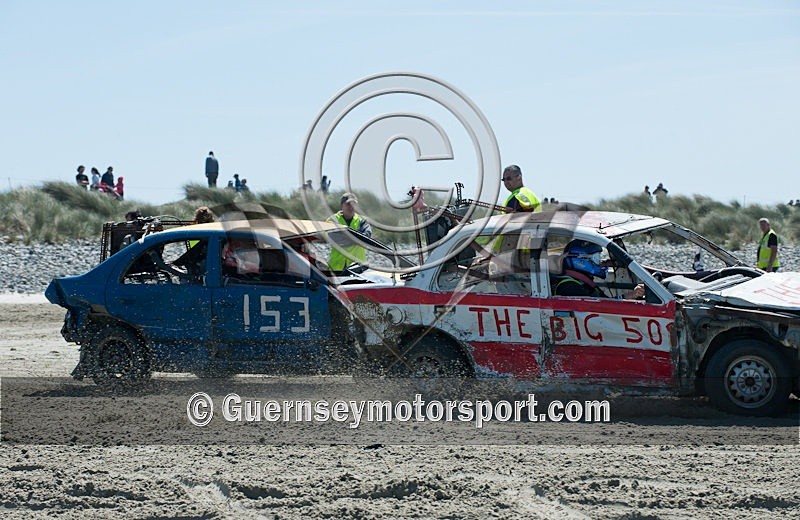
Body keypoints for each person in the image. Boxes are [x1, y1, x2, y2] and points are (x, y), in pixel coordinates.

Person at [553, 240, 645, 299]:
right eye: (596, 258)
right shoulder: (570, 286)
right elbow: (602, 308)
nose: (600, 262)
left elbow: (604, 301)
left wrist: (633, 294)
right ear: (580, 260)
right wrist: (632, 295)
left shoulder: (583, 281)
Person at [326, 192, 372, 271]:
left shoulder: (362, 221)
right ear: (342, 205)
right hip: (337, 268)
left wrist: (345, 237)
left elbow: (366, 238)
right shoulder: (332, 220)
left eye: (353, 204)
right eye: (348, 204)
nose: (351, 207)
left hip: (358, 268)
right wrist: (356, 239)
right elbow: (333, 238)